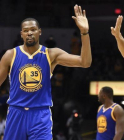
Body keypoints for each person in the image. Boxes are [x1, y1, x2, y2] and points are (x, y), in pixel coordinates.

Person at [0, 5, 92, 140]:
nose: (29, 33)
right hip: (16, 112)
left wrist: (84, 33)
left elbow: (85, 62)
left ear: (40, 31)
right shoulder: (10, 55)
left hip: (40, 114)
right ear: (21, 34)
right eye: (26, 30)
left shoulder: (51, 54)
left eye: (33, 29)